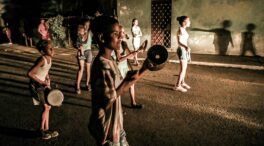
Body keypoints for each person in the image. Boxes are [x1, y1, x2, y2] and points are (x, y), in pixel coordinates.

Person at [88, 16, 146, 146]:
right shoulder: (103, 66)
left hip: (117, 126)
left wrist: (145, 68)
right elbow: (106, 102)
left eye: (120, 33)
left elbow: (120, 89)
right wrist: (126, 81)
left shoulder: (111, 61)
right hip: (107, 130)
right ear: (102, 38)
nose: (121, 36)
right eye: (116, 34)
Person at [27, 40, 59, 140]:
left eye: (52, 47)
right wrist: (42, 82)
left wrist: (48, 78)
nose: (53, 49)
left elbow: (45, 70)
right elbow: (30, 73)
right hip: (36, 86)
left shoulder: (49, 58)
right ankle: (41, 130)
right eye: (50, 48)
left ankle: (47, 129)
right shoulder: (42, 59)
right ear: (43, 51)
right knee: (46, 107)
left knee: (48, 107)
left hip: (43, 85)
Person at [112, 25, 147, 109]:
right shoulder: (116, 43)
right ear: (118, 33)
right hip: (118, 68)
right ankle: (117, 109)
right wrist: (129, 55)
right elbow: (119, 59)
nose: (124, 33)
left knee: (132, 84)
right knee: (119, 89)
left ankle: (133, 103)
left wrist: (137, 51)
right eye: (123, 32)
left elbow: (130, 56)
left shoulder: (124, 43)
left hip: (125, 67)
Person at [174, 16, 191, 92]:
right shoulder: (181, 29)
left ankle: (182, 82)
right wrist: (186, 47)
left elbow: (184, 41)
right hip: (182, 50)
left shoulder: (183, 29)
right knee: (183, 69)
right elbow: (179, 42)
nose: (190, 22)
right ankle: (177, 86)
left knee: (185, 68)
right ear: (184, 22)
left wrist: (188, 53)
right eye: (188, 21)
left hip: (184, 50)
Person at [75, 19, 93, 94]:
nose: (86, 26)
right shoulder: (80, 33)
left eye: (88, 25)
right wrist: (79, 48)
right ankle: (77, 86)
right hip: (81, 52)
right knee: (81, 69)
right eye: (85, 25)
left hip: (88, 51)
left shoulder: (90, 33)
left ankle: (87, 84)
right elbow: (76, 44)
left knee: (88, 69)